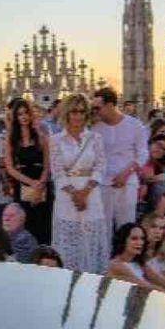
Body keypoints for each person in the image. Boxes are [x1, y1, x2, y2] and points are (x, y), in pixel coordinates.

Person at [50, 94, 111, 273]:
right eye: (74, 111)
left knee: (91, 238)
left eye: (82, 112)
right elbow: (57, 169)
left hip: (91, 194)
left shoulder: (95, 138)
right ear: (67, 113)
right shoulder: (55, 140)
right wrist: (75, 194)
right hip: (66, 196)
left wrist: (85, 192)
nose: (78, 116)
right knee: (69, 240)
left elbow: (101, 165)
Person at [91, 87, 147, 234]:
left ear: (110, 105)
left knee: (126, 225)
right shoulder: (95, 128)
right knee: (103, 228)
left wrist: (127, 173)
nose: (95, 111)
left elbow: (142, 154)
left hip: (127, 183)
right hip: (102, 184)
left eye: (98, 108)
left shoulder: (135, 125)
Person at [3, 98, 51, 244]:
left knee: (43, 224)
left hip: (41, 184)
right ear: (15, 117)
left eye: (26, 113)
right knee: (25, 223)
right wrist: (30, 183)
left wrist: (41, 182)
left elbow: (47, 164)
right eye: (20, 114)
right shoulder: (11, 140)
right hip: (22, 184)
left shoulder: (41, 136)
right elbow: (10, 167)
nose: (23, 117)